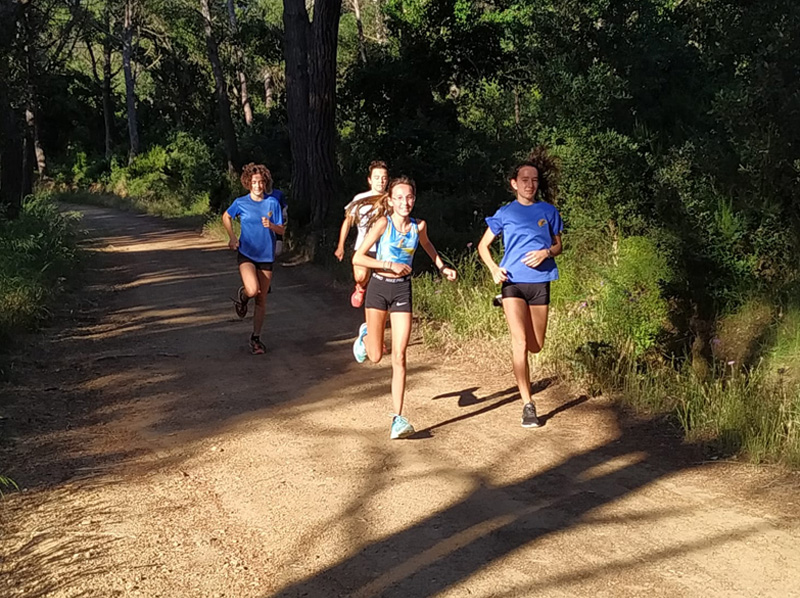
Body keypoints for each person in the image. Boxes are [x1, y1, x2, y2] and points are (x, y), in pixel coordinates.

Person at [351, 176, 457, 439]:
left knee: (399, 355)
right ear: (390, 200)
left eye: (409, 197)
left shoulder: (418, 226)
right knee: (375, 356)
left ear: (414, 199)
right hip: (378, 288)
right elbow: (359, 257)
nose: (404, 202)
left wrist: (442, 267)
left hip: (401, 291)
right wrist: (389, 265)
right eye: (399, 197)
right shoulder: (382, 223)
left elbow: (428, 246)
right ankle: (366, 337)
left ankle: (397, 419)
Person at [477, 148, 564, 428]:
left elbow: (559, 245)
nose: (530, 184)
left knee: (536, 346)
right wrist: (493, 269)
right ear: (514, 183)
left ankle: (507, 304)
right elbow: (483, 246)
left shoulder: (548, 211)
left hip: (540, 283)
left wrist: (546, 253)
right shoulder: (505, 213)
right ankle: (528, 404)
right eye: (524, 179)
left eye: (534, 179)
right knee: (520, 343)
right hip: (512, 282)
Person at [222, 163, 285, 355]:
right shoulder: (241, 203)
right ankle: (243, 296)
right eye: (254, 182)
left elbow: (282, 229)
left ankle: (256, 339)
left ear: (265, 183)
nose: (258, 185)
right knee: (252, 289)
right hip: (247, 253)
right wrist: (232, 237)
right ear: (248, 183)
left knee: (261, 299)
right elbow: (226, 216)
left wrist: (271, 226)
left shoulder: (273, 203)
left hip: (266, 255)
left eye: (261, 182)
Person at [334, 160, 390, 307]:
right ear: (370, 180)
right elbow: (348, 221)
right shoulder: (360, 199)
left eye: (384, 178)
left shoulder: (391, 200)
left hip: (384, 248)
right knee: (361, 276)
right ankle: (360, 287)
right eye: (377, 177)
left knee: (382, 283)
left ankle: (379, 308)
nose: (381, 181)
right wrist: (341, 246)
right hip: (363, 247)